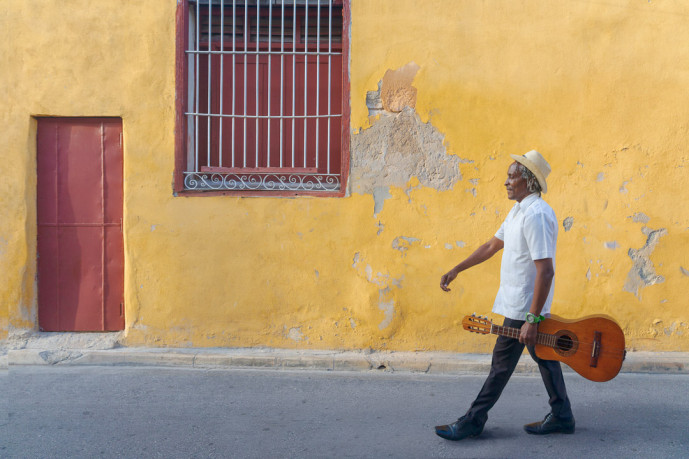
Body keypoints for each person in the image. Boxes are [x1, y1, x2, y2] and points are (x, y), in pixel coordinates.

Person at [434, 150, 574, 441]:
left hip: (525, 310)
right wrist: (457, 268)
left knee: (501, 366)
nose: (506, 182)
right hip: (522, 306)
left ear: (530, 182)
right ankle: (562, 415)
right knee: (545, 357)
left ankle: (473, 420)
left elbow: (546, 271)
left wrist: (532, 319)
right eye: (508, 176)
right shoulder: (518, 211)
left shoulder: (535, 214)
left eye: (513, 176)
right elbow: (490, 245)